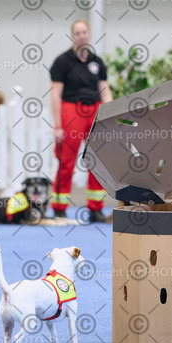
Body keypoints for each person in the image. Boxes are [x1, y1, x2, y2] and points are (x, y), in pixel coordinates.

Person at [49, 20, 113, 223]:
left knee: (97, 160)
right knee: (67, 161)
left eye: (84, 32)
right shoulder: (62, 62)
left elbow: (105, 91)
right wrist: (58, 125)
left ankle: (96, 208)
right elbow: (55, 93)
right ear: (73, 36)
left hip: (95, 110)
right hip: (71, 111)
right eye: (78, 33)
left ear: (89, 34)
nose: (82, 36)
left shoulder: (97, 62)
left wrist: (111, 116)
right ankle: (59, 207)